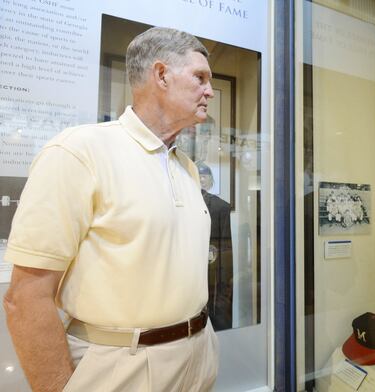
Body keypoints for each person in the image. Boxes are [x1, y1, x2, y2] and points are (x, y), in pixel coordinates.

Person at [2, 27, 218, 391]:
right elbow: (25, 298)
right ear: (161, 75)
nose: (210, 91)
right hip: (122, 367)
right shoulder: (79, 152)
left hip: (198, 355)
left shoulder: (187, 167)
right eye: (200, 78)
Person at [196, 162, 233, 331]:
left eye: (205, 176)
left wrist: (225, 281)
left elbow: (225, 247)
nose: (202, 179)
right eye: (199, 176)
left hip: (213, 271)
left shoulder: (220, 207)